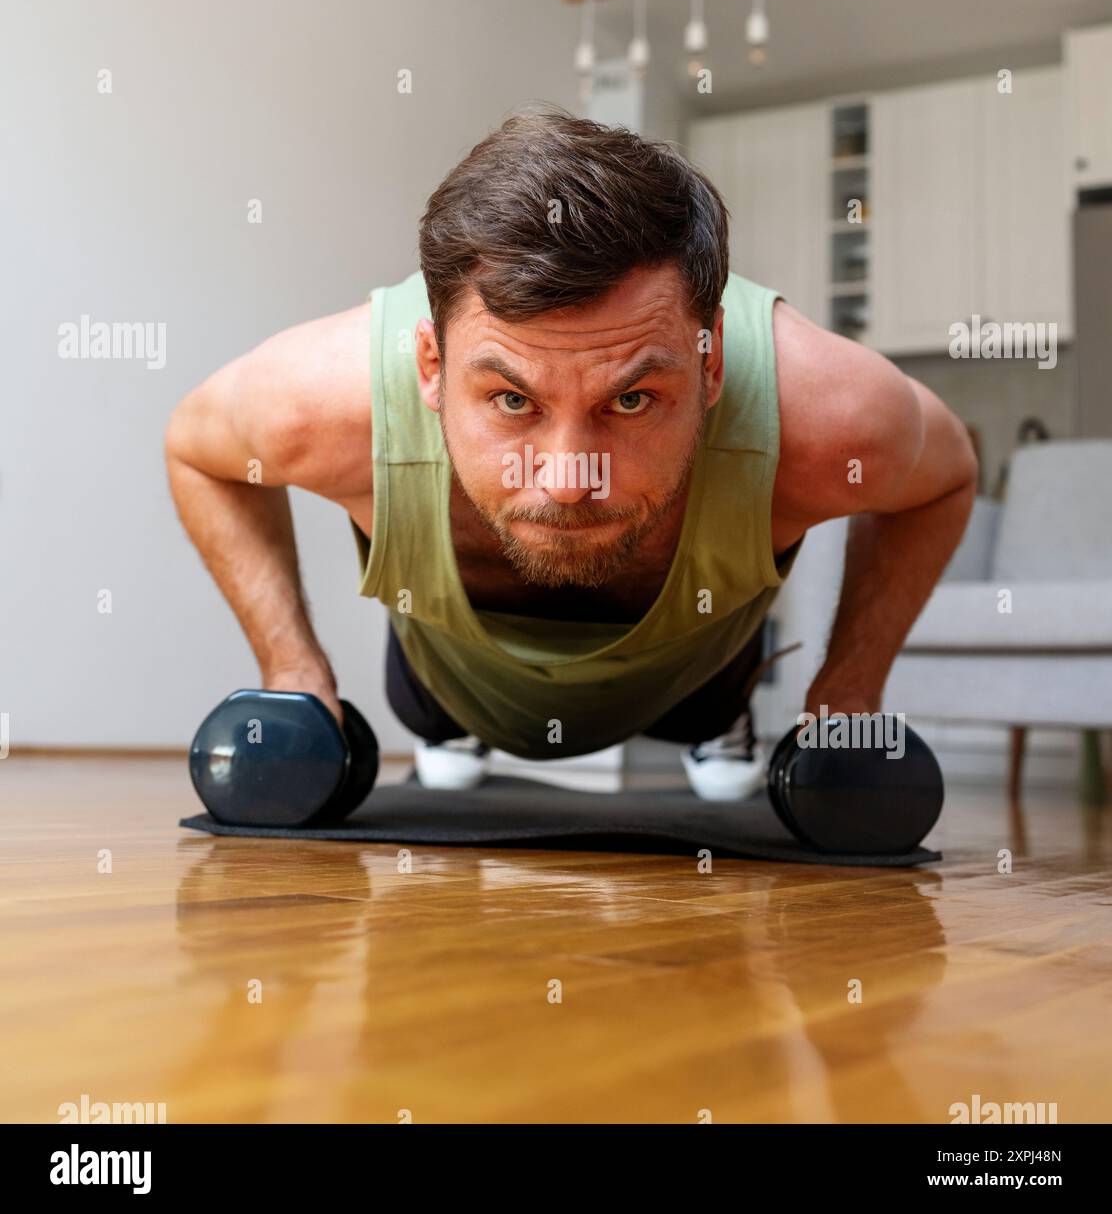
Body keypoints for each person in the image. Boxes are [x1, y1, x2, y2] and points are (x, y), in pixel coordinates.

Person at [165, 109, 976, 802]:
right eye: (513, 400)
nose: (567, 478)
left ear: (712, 361)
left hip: (698, 678)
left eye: (630, 400)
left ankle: (719, 727)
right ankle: (455, 734)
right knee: (433, 713)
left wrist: (847, 695)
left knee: (707, 688)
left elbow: (945, 480)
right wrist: (293, 675)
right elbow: (196, 452)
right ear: (430, 369)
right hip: (449, 685)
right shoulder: (318, 404)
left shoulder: (835, 416)